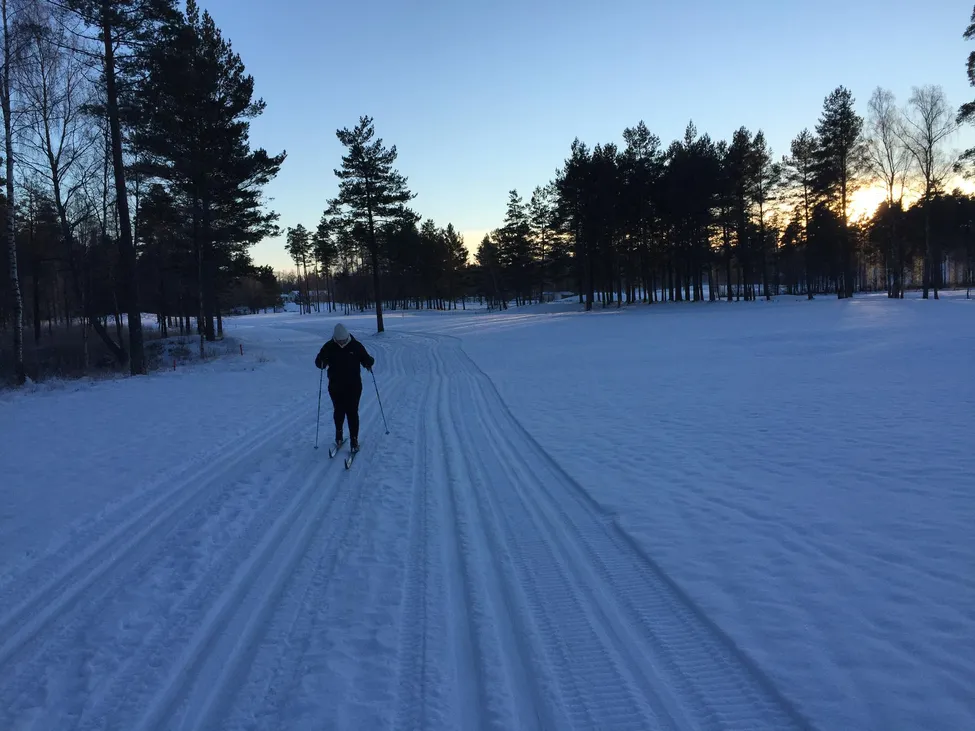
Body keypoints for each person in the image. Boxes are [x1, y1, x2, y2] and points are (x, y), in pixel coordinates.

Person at [314, 323, 375, 451]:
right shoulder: (329, 346)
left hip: (354, 385)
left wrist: (369, 363)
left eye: (343, 340)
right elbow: (318, 361)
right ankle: (339, 435)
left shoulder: (356, 346)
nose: (341, 342)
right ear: (335, 338)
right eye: (339, 340)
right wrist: (321, 362)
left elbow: (366, 359)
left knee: (352, 412)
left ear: (347, 337)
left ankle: (354, 440)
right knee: (339, 410)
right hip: (335, 385)